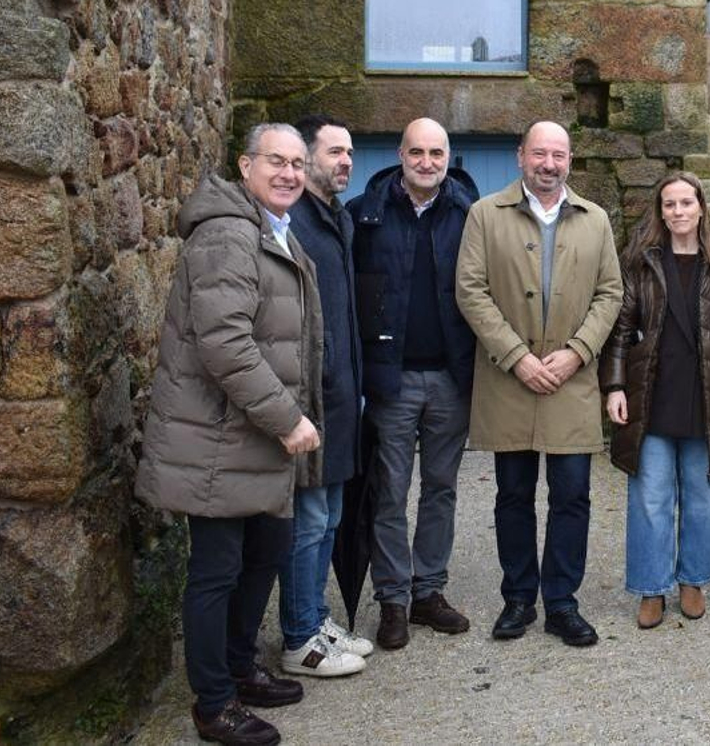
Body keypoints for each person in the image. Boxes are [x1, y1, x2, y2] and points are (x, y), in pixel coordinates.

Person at [135, 122, 324, 746]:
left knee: (265, 554)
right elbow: (226, 345)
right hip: (217, 440)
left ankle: (240, 668)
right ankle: (214, 703)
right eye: (276, 161)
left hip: (254, 438)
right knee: (217, 570)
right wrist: (288, 419)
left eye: (298, 164)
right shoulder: (226, 234)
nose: (290, 174)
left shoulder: (272, 230)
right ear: (245, 167)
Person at [455, 120, 622, 647]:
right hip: (511, 380)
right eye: (539, 154)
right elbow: (470, 290)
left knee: (572, 495)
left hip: (572, 380)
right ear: (520, 156)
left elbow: (611, 294)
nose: (549, 164)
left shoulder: (595, 220)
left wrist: (577, 353)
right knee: (513, 493)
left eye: (559, 155)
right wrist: (517, 357)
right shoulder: (485, 214)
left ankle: (563, 602)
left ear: (569, 160)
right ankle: (519, 599)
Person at [599, 172, 710, 628]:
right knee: (650, 499)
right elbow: (619, 330)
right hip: (651, 394)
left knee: (701, 498)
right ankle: (652, 587)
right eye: (669, 204)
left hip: (706, 396)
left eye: (686, 202)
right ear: (661, 211)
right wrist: (614, 387)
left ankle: (693, 579)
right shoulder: (640, 260)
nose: (678, 211)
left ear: (701, 206)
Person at [347, 118, 479, 650]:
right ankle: (393, 599)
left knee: (441, 489)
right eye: (417, 152)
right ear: (400, 155)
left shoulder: (471, 216)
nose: (427, 162)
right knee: (390, 492)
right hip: (392, 380)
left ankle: (428, 591)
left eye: (437, 153)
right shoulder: (365, 214)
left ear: (449, 157)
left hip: (451, 377)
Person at [273, 115, 371, 677]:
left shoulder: (337, 217)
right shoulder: (295, 223)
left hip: (341, 398)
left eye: (350, 152)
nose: (346, 161)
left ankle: (314, 617)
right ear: (307, 157)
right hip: (310, 398)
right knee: (308, 521)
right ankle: (298, 638)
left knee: (329, 517)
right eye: (334, 151)